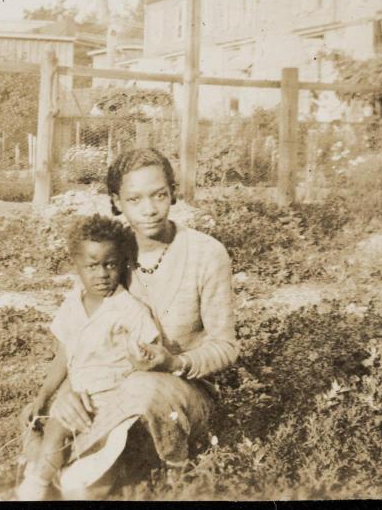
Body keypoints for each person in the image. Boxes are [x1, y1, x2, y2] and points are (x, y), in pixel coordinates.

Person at [49, 147, 239, 499]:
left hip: (184, 393)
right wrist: (65, 393)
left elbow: (226, 346)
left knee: (142, 388)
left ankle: (72, 470)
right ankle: (79, 469)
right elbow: (79, 331)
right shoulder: (109, 252)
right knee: (65, 410)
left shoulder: (206, 253)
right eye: (134, 199)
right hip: (107, 385)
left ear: (173, 193)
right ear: (116, 201)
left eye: (159, 195)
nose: (149, 209)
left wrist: (175, 362)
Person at [15, 213, 161, 501]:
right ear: (77, 265)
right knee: (53, 427)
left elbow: (151, 357)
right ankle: (36, 485)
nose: (102, 274)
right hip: (79, 397)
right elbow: (64, 354)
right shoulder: (73, 303)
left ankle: (77, 476)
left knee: (93, 474)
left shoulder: (129, 310)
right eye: (92, 266)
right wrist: (43, 395)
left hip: (114, 401)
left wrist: (142, 358)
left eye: (111, 264)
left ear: (122, 264)